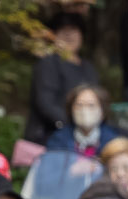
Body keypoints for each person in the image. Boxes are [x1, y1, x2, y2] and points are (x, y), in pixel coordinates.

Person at [28, 11, 105, 147]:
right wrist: (75, 125)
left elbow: (98, 101)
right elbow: (45, 103)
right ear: (53, 35)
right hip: (51, 133)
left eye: (74, 30)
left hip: (87, 132)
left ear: (81, 35)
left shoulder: (88, 68)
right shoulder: (48, 64)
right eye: (63, 30)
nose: (68, 35)